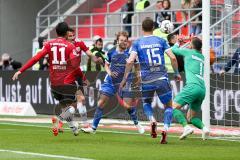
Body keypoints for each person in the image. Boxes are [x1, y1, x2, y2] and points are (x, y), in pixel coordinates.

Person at [12, 22, 82, 136]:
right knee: (73, 106)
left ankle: (74, 128)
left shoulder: (49, 44)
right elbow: (75, 66)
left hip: (54, 84)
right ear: (66, 33)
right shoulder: (70, 46)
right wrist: (82, 77)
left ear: (56, 32)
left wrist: (21, 70)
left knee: (65, 107)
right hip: (67, 82)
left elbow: (36, 58)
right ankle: (58, 120)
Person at [120, 17, 181, 144]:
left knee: (146, 103)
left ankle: (152, 120)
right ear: (153, 28)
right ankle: (165, 129)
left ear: (142, 28)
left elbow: (130, 61)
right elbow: (173, 58)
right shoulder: (161, 40)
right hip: (161, 78)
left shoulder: (137, 43)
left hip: (146, 79)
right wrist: (176, 73)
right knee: (169, 106)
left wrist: (125, 78)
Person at [81, 31, 145, 134]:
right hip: (110, 81)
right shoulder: (111, 52)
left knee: (127, 106)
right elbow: (106, 65)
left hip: (124, 82)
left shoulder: (131, 53)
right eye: (121, 40)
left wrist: (138, 77)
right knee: (101, 103)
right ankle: (93, 128)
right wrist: (110, 73)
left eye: (125, 40)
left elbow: (137, 66)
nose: (124, 42)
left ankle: (137, 124)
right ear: (117, 41)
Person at [170, 37, 210, 140]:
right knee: (191, 118)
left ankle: (186, 127)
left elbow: (173, 50)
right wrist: (190, 42)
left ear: (192, 46)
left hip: (192, 86)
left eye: (189, 43)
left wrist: (178, 43)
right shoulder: (202, 57)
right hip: (202, 89)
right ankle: (204, 129)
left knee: (173, 107)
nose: (188, 44)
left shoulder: (188, 52)